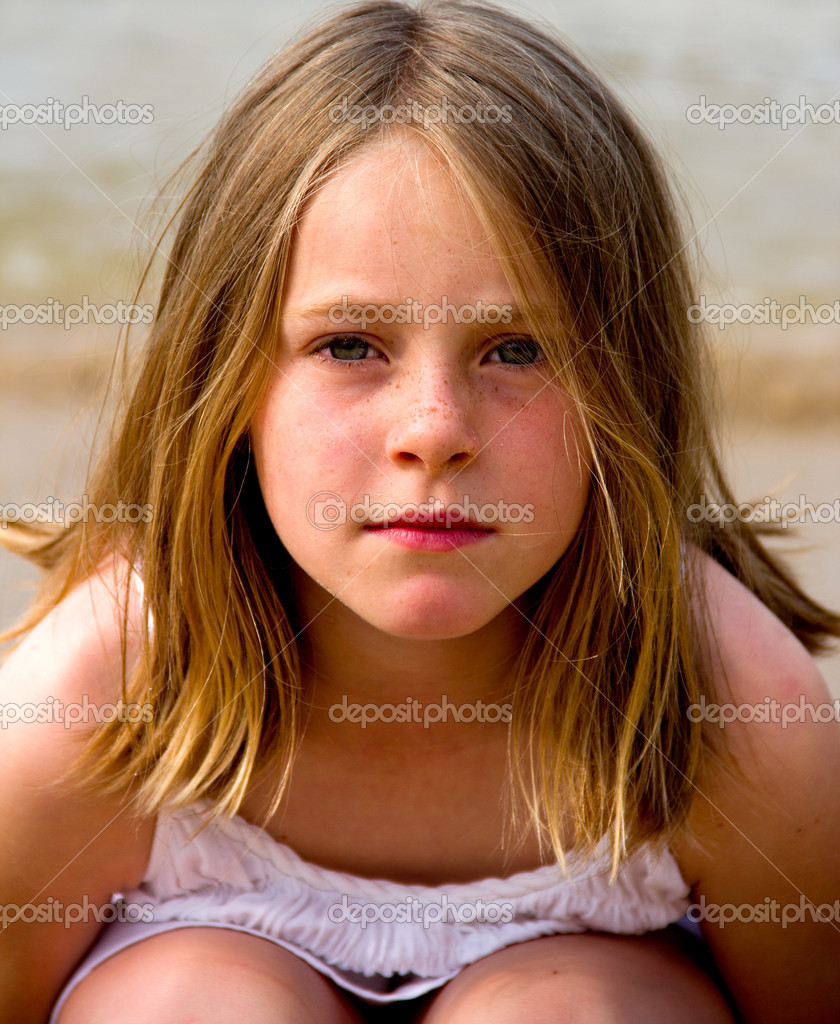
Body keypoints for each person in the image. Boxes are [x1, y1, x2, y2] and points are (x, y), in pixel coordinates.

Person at [1, 2, 838, 1021]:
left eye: (518, 349)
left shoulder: (731, 713)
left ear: (631, 386)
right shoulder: (98, 698)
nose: (435, 430)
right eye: (351, 345)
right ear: (224, 383)